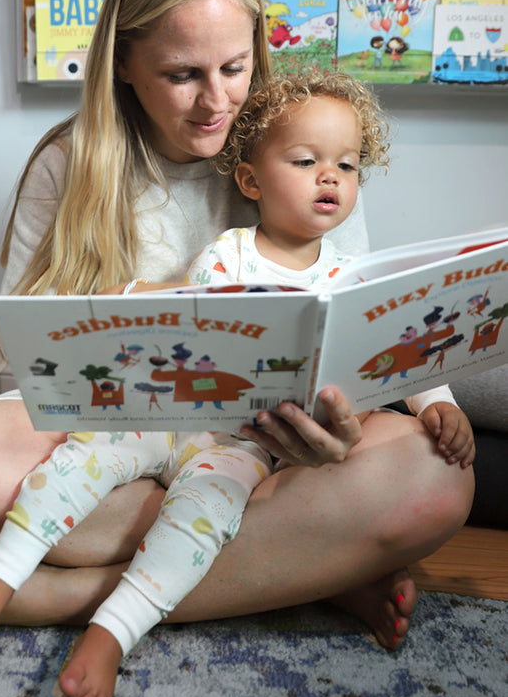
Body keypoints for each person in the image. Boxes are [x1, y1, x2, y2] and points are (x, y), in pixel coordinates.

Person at [0, 0, 474, 697]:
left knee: (439, 478)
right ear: (124, 65)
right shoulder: (68, 163)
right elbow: (21, 363)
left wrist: (338, 427)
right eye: (180, 75)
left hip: (259, 451)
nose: (216, 100)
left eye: (234, 68)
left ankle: (53, 596)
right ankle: (313, 568)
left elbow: (355, 332)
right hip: (121, 434)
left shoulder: (303, 152)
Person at [185, 67, 476, 468]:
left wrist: (436, 402)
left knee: (421, 460)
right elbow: (193, 347)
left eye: (347, 166)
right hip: (229, 445)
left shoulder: (354, 275)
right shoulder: (226, 259)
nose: (330, 177)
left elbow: (401, 346)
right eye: (305, 161)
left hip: (322, 445)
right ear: (252, 182)